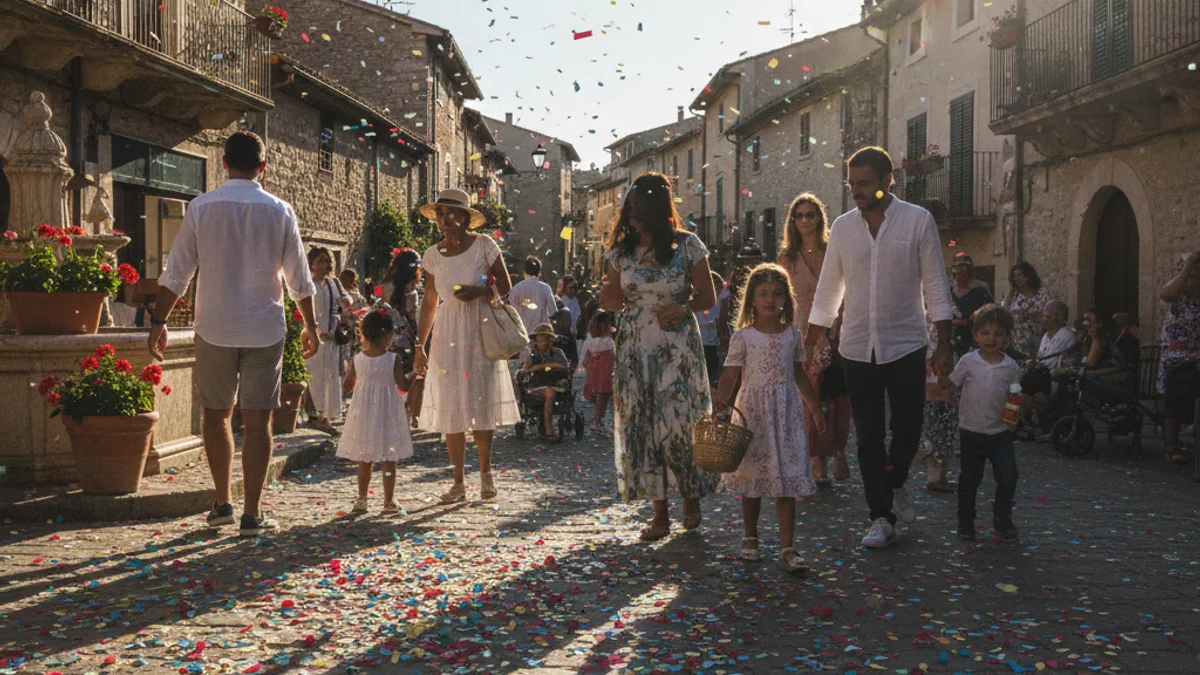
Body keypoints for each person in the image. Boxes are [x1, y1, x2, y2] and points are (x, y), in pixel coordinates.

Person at [149, 130, 318, 536]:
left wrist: (158, 323)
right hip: (264, 327)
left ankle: (223, 502)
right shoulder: (281, 211)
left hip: (215, 326)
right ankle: (253, 513)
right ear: (263, 167)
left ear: (223, 163)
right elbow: (300, 278)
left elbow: (178, 273)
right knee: (260, 422)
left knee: (215, 416)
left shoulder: (202, 207)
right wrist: (311, 325)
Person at [807, 146, 955, 549]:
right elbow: (828, 290)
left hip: (906, 342)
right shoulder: (842, 227)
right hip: (856, 345)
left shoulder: (918, 221)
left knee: (906, 428)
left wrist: (944, 343)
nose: (856, 191)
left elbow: (937, 285)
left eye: (864, 183)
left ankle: (897, 480)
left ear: (888, 181)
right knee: (868, 435)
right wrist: (811, 339)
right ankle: (880, 516)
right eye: (851, 184)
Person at [599, 172, 719, 542]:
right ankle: (659, 513)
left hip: (677, 346)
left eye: (638, 205)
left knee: (680, 421)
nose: (631, 211)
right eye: (629, 205)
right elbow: (609, 300)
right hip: (635, 346)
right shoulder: (620, 252)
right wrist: (613, 294)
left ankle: (691, 495)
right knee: (645, 424)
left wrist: (683, 307)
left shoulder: (688, 246)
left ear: (655, 207)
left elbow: (708, 297)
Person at [413, 189, 520, 503]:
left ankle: (486, 475)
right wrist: (420, 345)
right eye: (440, 214)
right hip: (447, 333)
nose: (444, 219)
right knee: (451, 405)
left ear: (465, 217)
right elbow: (430, 302)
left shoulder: (485, 245)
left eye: (450, 213)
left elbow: (505, 285)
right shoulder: (432, 254)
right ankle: (458, 482)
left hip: (478, 328)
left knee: (481, 401)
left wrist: (479, 291)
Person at [715, 264, 823, 574]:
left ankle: (788, 547)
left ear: (785, 299)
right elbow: (731, 374)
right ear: (751, 300)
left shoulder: (792, 335)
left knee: (785, 480)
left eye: (776, 294)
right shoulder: (743, 337)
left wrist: (814, 408)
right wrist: (720, 403)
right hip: (753, 414)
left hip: (786, 413)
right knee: (752, 482)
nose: (770, 300)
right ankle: (750, 536)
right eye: (763, 294)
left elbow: (799, 373)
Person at [778, 192, 850, 486]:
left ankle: (839, 451)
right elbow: (782, 296)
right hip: (798, 334)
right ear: (792, 222)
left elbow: (844, 291)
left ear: (819, 217)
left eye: (810, 214)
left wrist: (837, 331)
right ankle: (816, 457)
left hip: (831, 333)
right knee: (809, 398)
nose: (805, 220)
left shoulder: (833, 250)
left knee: (834, 397)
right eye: (799, 216)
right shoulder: (787, 257)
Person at [939, 304, 1022, 543]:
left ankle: (1003, 520)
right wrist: (942, 376)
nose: (991, 338)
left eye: (998, 334)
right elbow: (952, 384)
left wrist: (1020, 402)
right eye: (985, 333)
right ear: (975, 335)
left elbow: (1015, 391)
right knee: (969, 479)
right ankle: (965, 522)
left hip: (1001, 432)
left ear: (1007, 337)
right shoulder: (968, 361)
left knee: (1008, 475)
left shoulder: (1011, 366)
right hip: (971, 430)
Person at [335, 309, 415, 514]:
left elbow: (347, 387)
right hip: (388, 412)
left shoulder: (357, 359)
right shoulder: (393, 359)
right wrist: (413, 375)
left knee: (365, 458)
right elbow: (403, 387)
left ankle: (362, 499)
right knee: (389, 459)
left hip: (365, 413)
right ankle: (388, 501)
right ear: (388, 335)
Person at [1157, 252, 1200, 468]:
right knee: (1178, 384)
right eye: (1188, 276)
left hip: (1193, 357)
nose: (1191, 280)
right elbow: (1166, 292)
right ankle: (1170, 448)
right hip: (1173, 359)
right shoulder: (1178, 296)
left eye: (1195, 276)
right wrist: (1188, 265)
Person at [305, 246, 352, 435]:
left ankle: (326, 418)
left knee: (331, 377)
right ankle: (316, 417)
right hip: (313, 339)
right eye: (321, 261)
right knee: (315, 379)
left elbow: (344, 300)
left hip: (330, 338)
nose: (326, 265)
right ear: (312, 264)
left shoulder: (332, 284)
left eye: (327, 261)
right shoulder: (308, 286)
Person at [381, 248, 424, 428]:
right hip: (409, 339)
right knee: (416, 377)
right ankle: (411, 416)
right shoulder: (412, 291)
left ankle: (397, 415)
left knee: (395, 378)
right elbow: (413, 319)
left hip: (391, 340)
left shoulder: (386, 287)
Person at [923, 309, 958, 493]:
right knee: (941, 435)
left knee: (937, 436)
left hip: (936, 394)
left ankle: (937, 476)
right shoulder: (947, 313)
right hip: (939, 394)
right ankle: (937, 477)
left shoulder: (925, 317)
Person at [520, 323, 572, 438]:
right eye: (539, 340)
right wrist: (527, 369)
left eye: (544, 340)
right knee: (548, 392)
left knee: (550, 391)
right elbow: (525, 370)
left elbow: (563, 366)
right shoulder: (532, 354)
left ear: (550, 340)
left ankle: (548, 428)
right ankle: (547, 428)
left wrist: (541, 366)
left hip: (556, 384)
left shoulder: (557, 352)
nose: (541, 343)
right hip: (537, 386)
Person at [1004, 262, 1052, 359]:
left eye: (1020, 275)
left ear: (1028, 275)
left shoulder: (1042, 293)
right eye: (1014, 276)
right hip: (1016, 345)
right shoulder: (1013, 294)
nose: (1016, 278)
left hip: (1038, 341)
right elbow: (1005, 314)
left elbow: (1050, 313)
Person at [950, 254, 993, 357]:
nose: (959, 278)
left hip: (975, 337)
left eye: (963, 275)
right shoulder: (949, 289)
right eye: (957, 274)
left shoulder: (981, 288)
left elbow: (989, 311)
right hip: (952, 338)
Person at [579, 310, 616, 431]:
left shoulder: (590, 340)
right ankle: (598, 418)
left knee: (599, 392)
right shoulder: (608, 342)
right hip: (604, 369)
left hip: (595, 368)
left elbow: (584, 355)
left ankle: (598, 417)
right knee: (603, 393)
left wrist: (583, 363)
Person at [508, 256, 557, 334]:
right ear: (539, 273)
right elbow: (553, 311)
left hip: (522, 333)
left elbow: (510, 311)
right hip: (541, 334)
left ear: (524, 271)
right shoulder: (546, 288)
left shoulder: (516, 288)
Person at [695, 271, 725, 389]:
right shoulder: (716, 303)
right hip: (707, 344)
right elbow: (720, 321)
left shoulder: (699, 301)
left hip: (705, 343)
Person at [338, 268, 370, 376]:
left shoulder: (337, 296)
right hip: (355, 333)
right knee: (354, 363)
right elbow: (364, 315)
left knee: (341, 363)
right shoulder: (358, 298)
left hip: (340, 333)